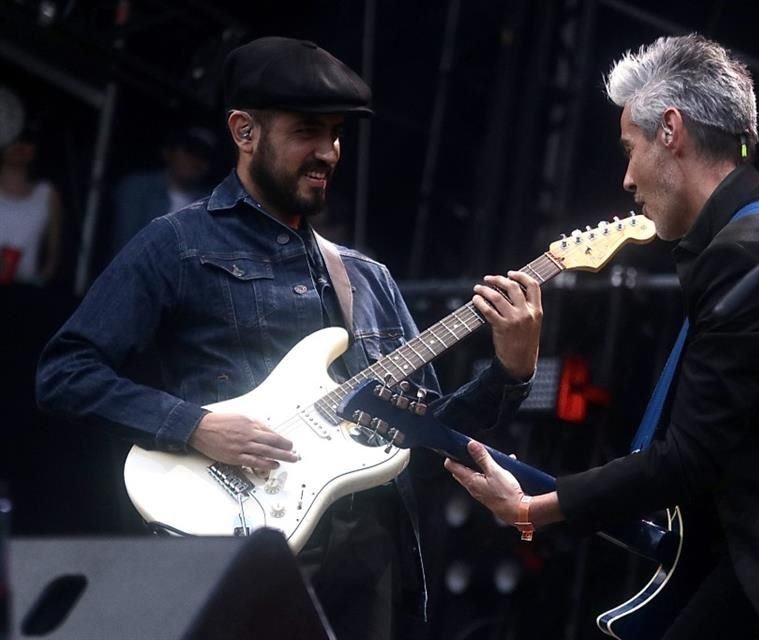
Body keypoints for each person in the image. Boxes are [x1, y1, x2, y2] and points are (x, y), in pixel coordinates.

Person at [445, 34, 759, 640]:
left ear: (672, 131)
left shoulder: (752, 250)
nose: (627, 178)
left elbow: (690, 456)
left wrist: (534, 509)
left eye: (630, 149)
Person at [35, 36, 542, 640]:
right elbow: (64, 373)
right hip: (243, 544)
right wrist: (192, 426)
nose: (328, 151)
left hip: (368, 563)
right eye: (307, 131)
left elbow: (432, 441)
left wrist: (511, 370)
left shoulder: (367, 277)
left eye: (335, 134)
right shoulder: (176, 245)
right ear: (244, 132)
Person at [107, 124, 217, 260]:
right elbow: (125, 247)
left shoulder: (210, 207)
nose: (195, 160)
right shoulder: (138, 187)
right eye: (190, 151)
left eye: (204, 155)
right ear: (167, 152)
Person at [0, 87, 62, 287]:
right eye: (16, 139)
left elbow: (54, 253)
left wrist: (41, 280)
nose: (21, 146)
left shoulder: (47, 193)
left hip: (24, 294)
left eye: (28, 140)